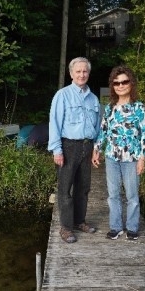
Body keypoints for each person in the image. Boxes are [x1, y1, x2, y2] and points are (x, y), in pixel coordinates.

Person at [92, 65, 145, 240]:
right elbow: (103, 131)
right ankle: (116, 227)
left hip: (132, 158)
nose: (120, 85)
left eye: (124, 82)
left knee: (132, 195)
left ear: (131, 84)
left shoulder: (139, 108)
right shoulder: (109, 108)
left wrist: (142, 158)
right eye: (116, 83)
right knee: (113, 194)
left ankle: (132, 228)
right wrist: (96, 150)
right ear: (113, 86)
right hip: (111, 157)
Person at [48, 57, 101, 243]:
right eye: (78, 71)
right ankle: (66, 227)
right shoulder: (62, 95)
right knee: (65, 189)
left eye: (85, 71)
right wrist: (57, 150)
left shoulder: (94, 98)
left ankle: (80, 221)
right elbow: (54, 123)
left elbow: (98, 127)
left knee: (84, 187)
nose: (81, 74)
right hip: (68, 146)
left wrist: (96, 148)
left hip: (87, 146)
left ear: (88, 73)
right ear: (71, 74)